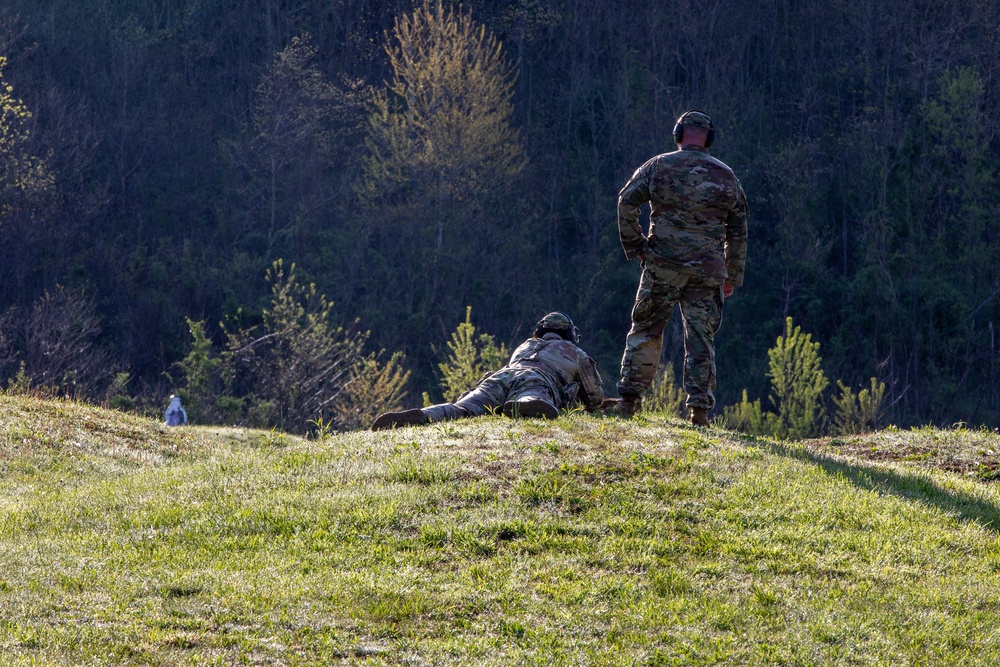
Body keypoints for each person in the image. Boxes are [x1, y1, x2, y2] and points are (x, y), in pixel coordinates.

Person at [613, 110, 748, 426]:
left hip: (663, 264)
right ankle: (699, 411)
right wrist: (732, 274)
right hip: (708, 271)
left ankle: (629, 400)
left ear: (678, 133)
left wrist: (637, 247)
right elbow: (739, 230)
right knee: (701, 339)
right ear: (709, 139)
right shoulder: (727, 176)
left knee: (646, 330)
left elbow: (626, 202)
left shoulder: (658, 166)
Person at [372, 312, 606, 430]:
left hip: (500, 376)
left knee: (463, 408)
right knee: (533, 395)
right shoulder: (575, 352)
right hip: (538, 378)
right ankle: (525, 404)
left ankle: (425, 415)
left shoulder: (525, 345)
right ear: (569, 334)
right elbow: (594, 398)